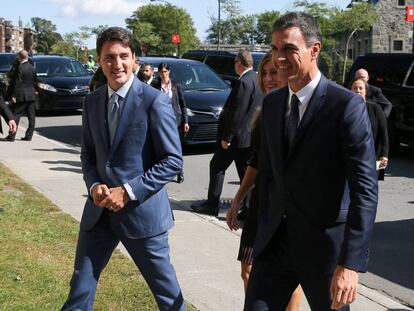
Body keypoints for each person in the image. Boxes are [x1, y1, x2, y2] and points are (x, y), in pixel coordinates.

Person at [244, 12, 378, 311]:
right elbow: (267, 177)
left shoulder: (346, 107)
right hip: (275, 247)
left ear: (314, 50)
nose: (279, 58)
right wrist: (251, 244)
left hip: (325, 251)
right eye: (275, 49)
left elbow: (365, 191)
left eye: (289, 49)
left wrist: (351, 263)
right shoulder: (273, 103)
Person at [61, 27, 185, 311]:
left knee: (168, 297)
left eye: (123, 56)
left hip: (143, 217)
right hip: (98, 215)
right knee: (79, 290)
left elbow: (172, 161)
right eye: (109, 57)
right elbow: (89, 155)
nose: (116, 64)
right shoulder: (92, 102)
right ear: (99, 59)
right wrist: (94, 186)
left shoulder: (155, 101)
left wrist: (128, 192)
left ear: (134, 60)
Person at [226, 52, 303, 310]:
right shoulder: (265, 110)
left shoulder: (297, 111)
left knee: (289, 280)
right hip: (261, 204)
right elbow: (256, 163)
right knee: (247, 270)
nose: (270, 78)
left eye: (274, 72)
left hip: (286, 212)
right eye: (265, 73)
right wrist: (237, 199)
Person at [191, 49, 263, 216]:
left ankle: (212, 204)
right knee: (246, 174)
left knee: (217, 166)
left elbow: (237, 113)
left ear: (239, 64)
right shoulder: (256, 80)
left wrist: (227, 137)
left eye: (235, 63)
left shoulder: (244, 82)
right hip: (249, 137)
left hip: (236, 138)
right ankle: (247, 209)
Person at [151, 63, 189, 183]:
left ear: (169, 72)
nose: (163, 74)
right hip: (160, 119)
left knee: (176, 146)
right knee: (161, 146)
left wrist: (185, 121)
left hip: (175, 120)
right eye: (161, 72)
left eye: (165, 72)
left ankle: (179, 171)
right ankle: (162, 172)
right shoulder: (155, 85)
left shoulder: (176, 85)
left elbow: (183, 104)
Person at [350, 77, 389, 180]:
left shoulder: (375, 109)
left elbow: (383, 133)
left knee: (368, 186)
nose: (358, 90)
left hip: (371, 156)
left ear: (365, 91)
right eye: (355, 88)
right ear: (350, 90)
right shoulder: (345, 108)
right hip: (351, 156)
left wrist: (384, 155)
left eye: (360, 88)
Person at [6, 50, 38, 142]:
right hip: (31, 95)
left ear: (20, 57)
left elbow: (17, 82)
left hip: (21, 95)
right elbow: (35, 81)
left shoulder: (20, 67)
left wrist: (14, 95)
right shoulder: (32, 67)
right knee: (31, 117)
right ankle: (29, 136)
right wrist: (35, 91)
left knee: (16, 115)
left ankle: (12, 136)